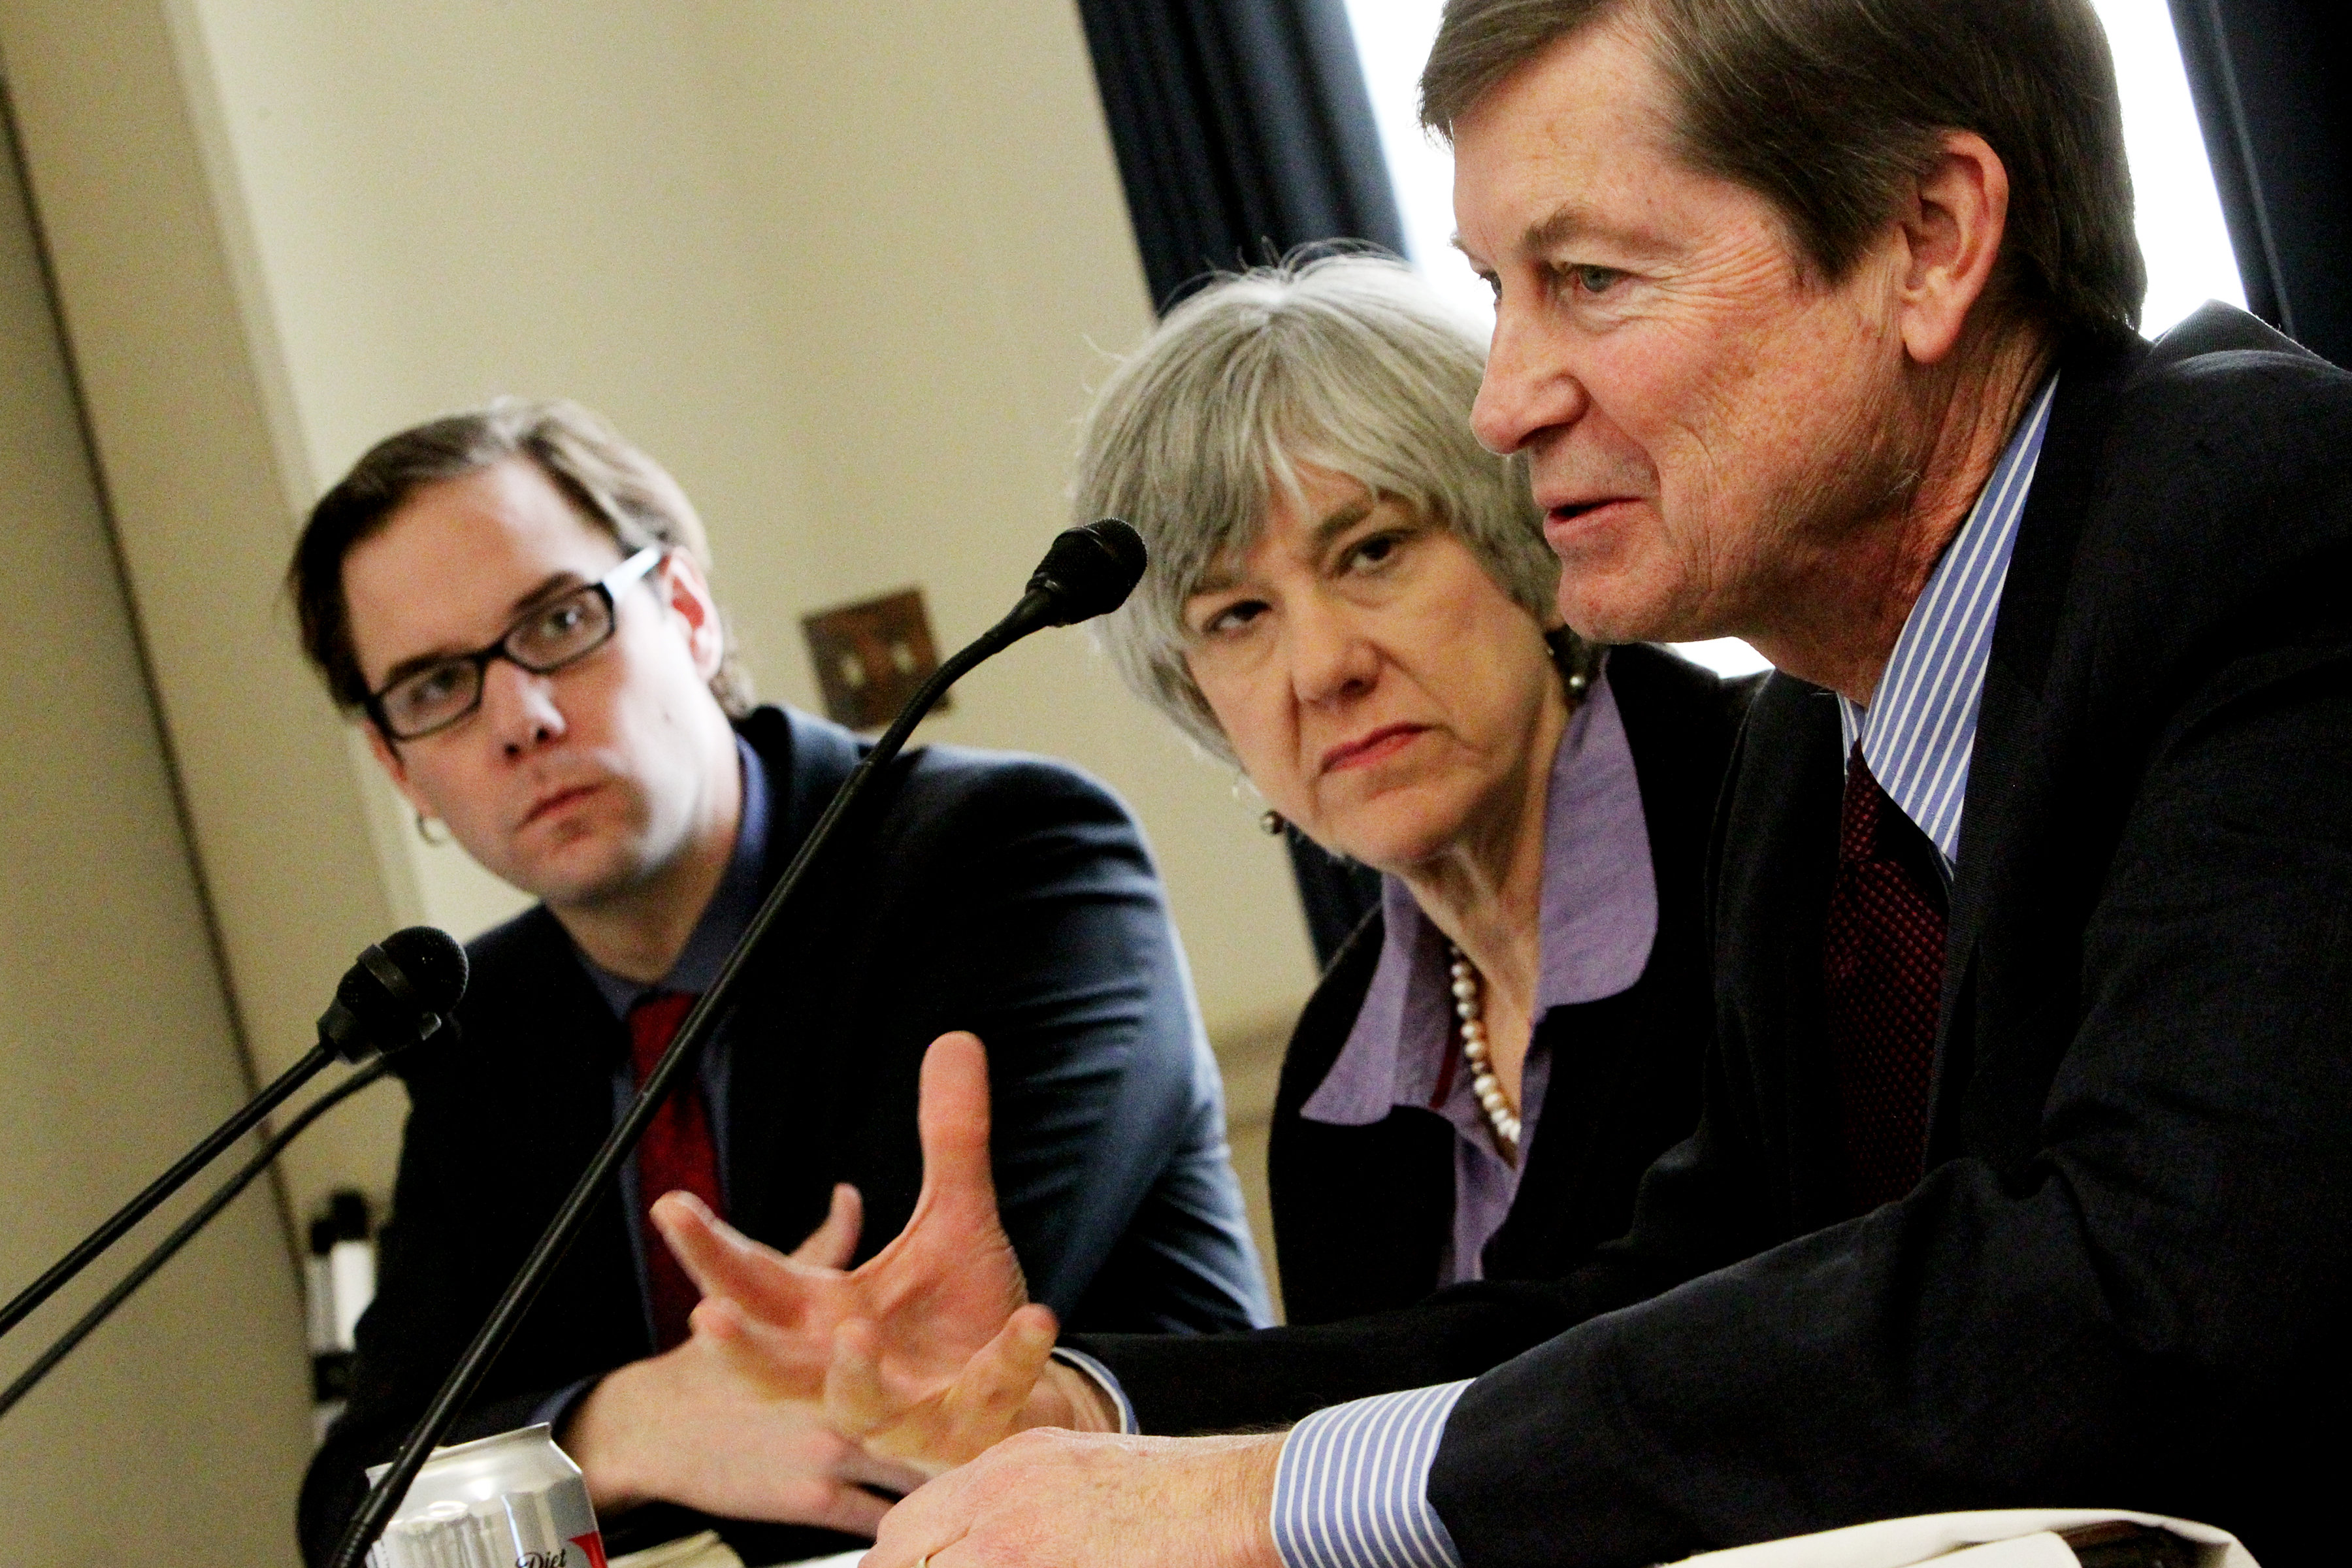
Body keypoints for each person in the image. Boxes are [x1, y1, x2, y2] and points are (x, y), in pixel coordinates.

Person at [650, 0, 2352, 1563]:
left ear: (1928, 243)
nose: (1506, 399)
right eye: (1495, 293)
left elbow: (2156, 1286)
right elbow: (1662, 1310)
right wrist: (1100, 1417)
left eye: (1593, 280)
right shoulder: (1804, 748)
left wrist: (1257, 1506)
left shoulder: (2274, 529)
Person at [284, 400, 1271, 1566]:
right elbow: (355, 1497)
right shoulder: (480, 1025)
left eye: (558, 622)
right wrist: (619, 1422)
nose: (522, 717)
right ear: (399, 767)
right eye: (435, 687)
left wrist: (571, 1444)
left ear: (688, 614)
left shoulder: (1006, 855)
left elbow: (886, 1369)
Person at [1076, 254, 1754, 1327]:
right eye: (1237, 617)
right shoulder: (1331, 1081)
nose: (1321, 668)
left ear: (1521, 537)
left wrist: (1098, 1400)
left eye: (1373, 551)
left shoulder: (1773, 804)